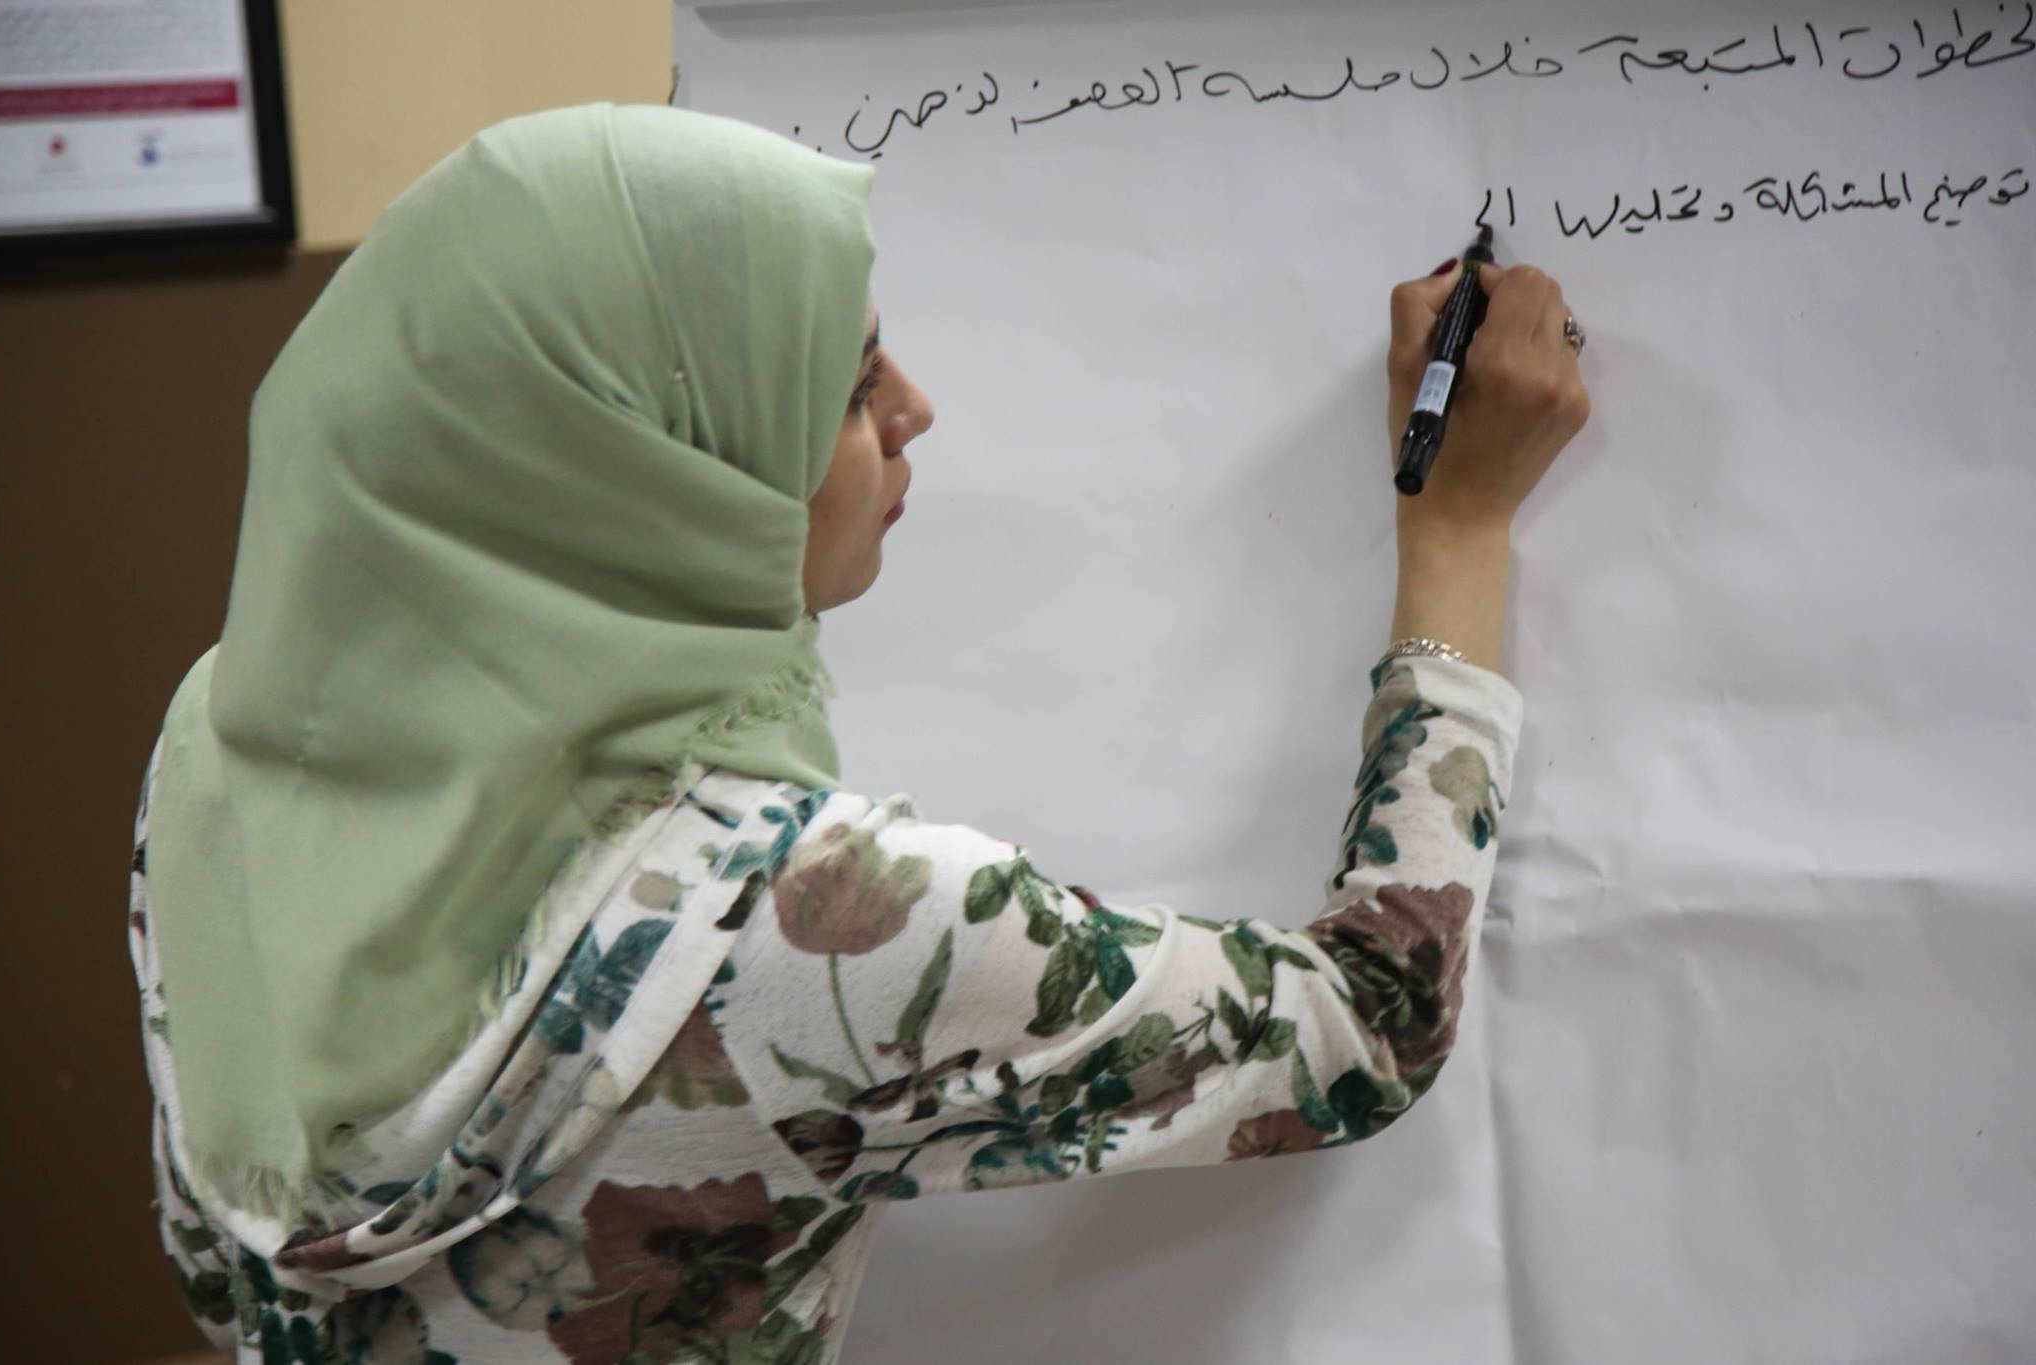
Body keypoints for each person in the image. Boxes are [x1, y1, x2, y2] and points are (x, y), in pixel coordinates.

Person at [129, 104, 1590, 1365]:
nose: (914, 409)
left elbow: (222, 1267)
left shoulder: (216, 753)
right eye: (842, 387)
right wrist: (1457, 529)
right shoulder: (821, 922)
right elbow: (1367, 1021)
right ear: (656, 466)